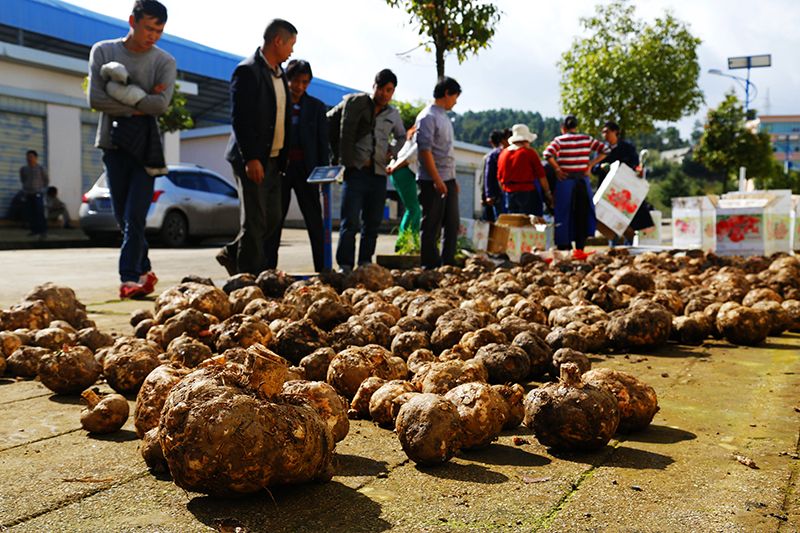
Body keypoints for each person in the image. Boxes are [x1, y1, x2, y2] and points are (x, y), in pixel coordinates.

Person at [88, 0, 175, 299]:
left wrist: (127, 98)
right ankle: (145, 268)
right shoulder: (104, 52)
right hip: (112, 144)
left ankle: (129, 278)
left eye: (159, 31)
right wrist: (143, 100)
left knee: (135, 216)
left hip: (147, 146)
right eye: (149, 28)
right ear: (132, 21)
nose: (153, 36)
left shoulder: (165, 61)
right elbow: (96, 100)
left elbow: (161, 106)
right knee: (122, 217)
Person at [216, 19, 296, 277]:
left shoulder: (281, 73)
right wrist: (251, 158)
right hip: (252, 159)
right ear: (278, 41)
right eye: (291, 44)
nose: (292, 51)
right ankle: (248, 278)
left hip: (273, 160)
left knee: (272, 217)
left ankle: (231, 253)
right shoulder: (247, 70)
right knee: (254, 220)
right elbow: (240, 118)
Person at [329, 69, 405, 272]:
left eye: (389, 90)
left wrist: (392, 152)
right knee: (350, 222)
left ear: (393, 91)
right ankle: (344, 265)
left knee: (372, 224)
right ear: (374, 87)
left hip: (379, 174)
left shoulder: (393, 114)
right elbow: (333, 122)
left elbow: (402, 137)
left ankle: (365, 263)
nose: (384, 93)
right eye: (381, 88)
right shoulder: (358, 105)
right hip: (355, 172)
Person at [263, 59, 328, 272]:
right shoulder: (277, 103)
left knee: (315, 223)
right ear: (287, 79)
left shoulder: (316, 107)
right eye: (296, 81)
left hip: (308, 172)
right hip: (279, 170)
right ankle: (268, 271)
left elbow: (322, 143)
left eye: (305, 82)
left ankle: (324, 269)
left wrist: (323, 175)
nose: (300, 86)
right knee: (274, 221)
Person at [543, 115, 610, 258]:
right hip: (582, 181)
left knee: (563, 214)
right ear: (576, 127)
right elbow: (606, 150)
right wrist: (590, 166)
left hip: (566, 181)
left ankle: (564, 247)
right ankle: (580, 247)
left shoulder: (559, 140)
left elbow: (547, 154)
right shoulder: (587, 139)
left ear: (563, 128)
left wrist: (557, 169)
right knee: (582, 214)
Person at [416, 76, 461, 270]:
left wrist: (453, 178)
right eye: (455, 96)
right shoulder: (428, 116)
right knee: (431, 224)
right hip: (431, 179)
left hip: (448, 178)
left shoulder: (445, 117)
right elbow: (425, 150)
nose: (456, 101)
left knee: (452, 223)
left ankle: (447, 263)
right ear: (447, 93)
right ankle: (430, 265)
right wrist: (436, 178)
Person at [592, 120, 650, 246]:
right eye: (603, 132)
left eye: (607, 131)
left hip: (625, 190)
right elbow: (593, 168)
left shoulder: (627, 148)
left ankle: (630, 245)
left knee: (628, 217)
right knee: (608, 219)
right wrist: (601, 167)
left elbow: (635, 163)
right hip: (609, 191)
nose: (605, 135)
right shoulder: (602, 150)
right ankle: (614, 245)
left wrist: (638, 169)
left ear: (615, 132)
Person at [497, 124, 552, 216]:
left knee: (513, 224)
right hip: (528, 194)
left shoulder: (503, 154)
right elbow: (541, 175)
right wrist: (547, 192)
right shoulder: (530, 153)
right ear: (525, 140)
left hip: (509, 194)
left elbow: (500, 179)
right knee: (527, 225)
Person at [386, 126, 421, 251]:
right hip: (404, 172)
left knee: (415, 209)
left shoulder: (410, 139)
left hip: (402, 172)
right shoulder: (420, 136)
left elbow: (399, 154)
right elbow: (412, 156)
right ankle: (403, 242)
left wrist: (392, 166)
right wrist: (394, 167)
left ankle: (413, 242)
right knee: (413, 209)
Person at [481, 128, 510, 222]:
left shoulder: (513, 153)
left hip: (508, 193)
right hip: (497, 195)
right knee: (500, 221)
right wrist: (487, 195)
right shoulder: (493, 155)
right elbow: (487, 176)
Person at [19, 150, 48, 238]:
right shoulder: (24, 169)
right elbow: (23, 179)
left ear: (36, 158)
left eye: (31, 157)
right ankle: (34, 230)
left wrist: (40, 188)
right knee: (31, 213)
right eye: (28, 157)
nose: (29, 159)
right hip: (28, 193)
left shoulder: (40, 168)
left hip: (38, 193)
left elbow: (46, 180)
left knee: (39, 212)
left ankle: (42, 231)